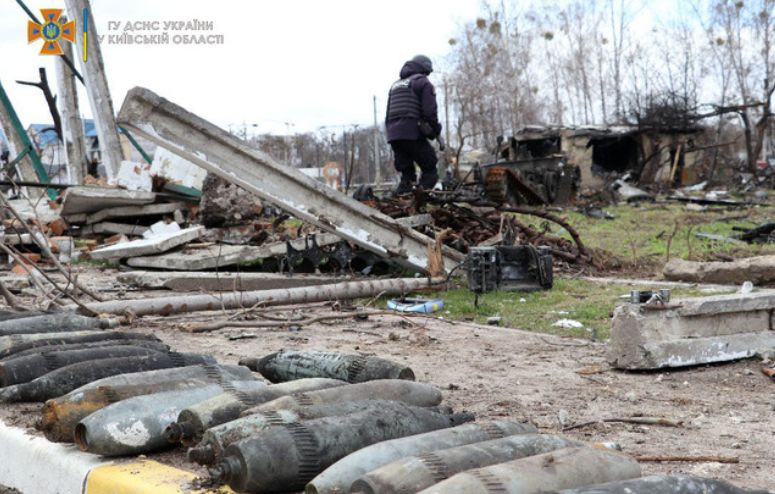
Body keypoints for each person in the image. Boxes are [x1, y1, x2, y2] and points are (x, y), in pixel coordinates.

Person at [385, 54, 442, 193]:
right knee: (430, 169)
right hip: (412, 133)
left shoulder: (395, 85)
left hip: (394, 136)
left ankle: (399, 203)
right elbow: (429, 113)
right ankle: (418, 200)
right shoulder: (423, 82)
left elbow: (388, 114)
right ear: (425, 69)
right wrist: (436, 131)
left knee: (407, 176)